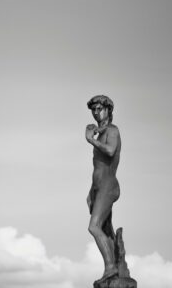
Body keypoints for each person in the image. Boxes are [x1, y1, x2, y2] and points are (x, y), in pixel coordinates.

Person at [85, 95, 121, 283]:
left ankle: (111, 267)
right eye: (94, 109)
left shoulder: (112, 130)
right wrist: (92, 191)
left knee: (94, 227)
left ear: (108, 110)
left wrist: (91, 140)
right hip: (99, 189)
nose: (96, 112)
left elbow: (110, 151)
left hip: (109, 186)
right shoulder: (101, 132)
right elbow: (97, 166)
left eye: (99, 108)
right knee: (106, 231)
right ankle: (115, 264)